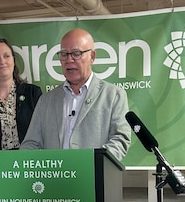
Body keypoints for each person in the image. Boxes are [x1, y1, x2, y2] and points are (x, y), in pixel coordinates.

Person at [20, 28, 131, 160]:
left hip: (94, 178)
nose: (69, 60)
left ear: (92, 57)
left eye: (76, 53)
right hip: (54, 179)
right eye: (64, 54)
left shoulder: (113, 95)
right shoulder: (46, 100)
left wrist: (94, 163)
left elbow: (120, 140)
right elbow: (31, 144)